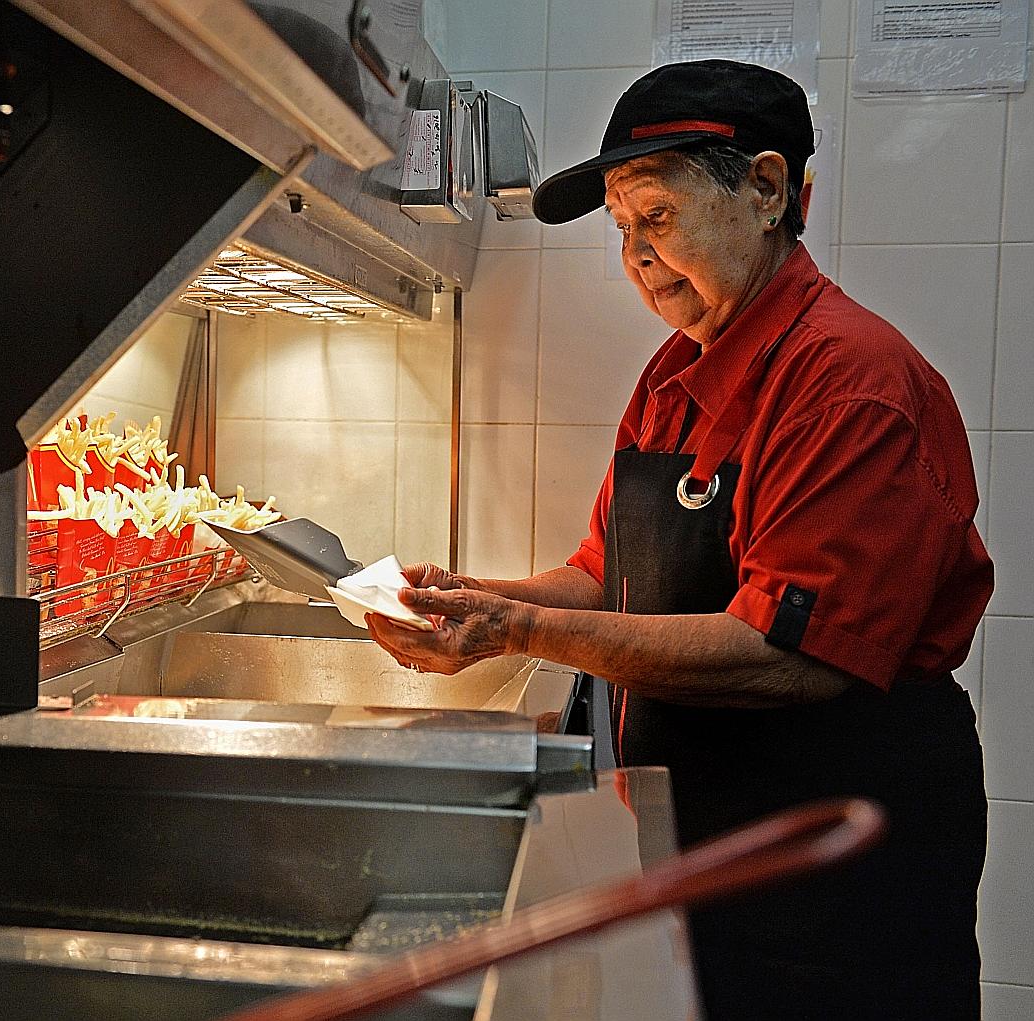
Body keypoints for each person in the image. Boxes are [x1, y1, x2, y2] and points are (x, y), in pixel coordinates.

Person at [366, 60, 990, 1020]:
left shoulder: (848, 384)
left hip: (832, 867)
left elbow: (784, 655)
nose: (636, 257)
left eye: (655, 216)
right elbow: (599, 575)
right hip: (710, 830)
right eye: (623, 231)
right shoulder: (674, 375)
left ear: (770, 190)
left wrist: (511, 630)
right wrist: (466, 597)